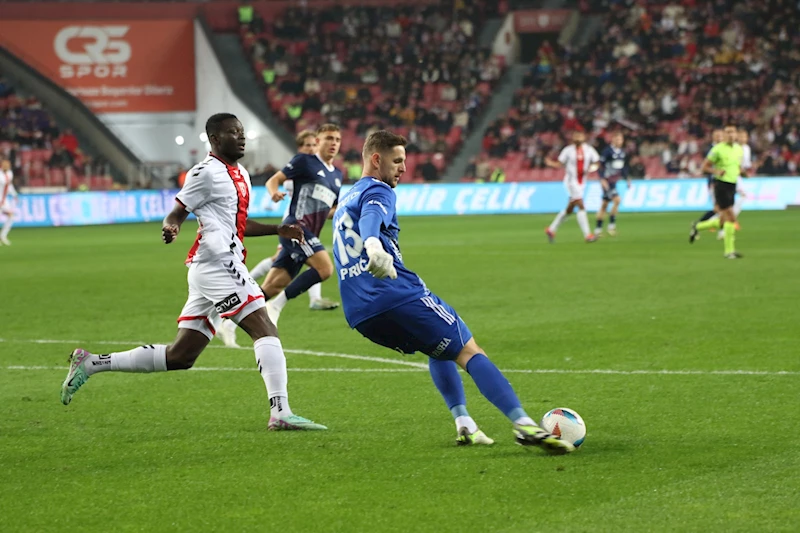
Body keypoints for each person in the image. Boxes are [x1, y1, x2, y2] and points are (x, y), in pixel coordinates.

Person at [60, 113, 327, 431]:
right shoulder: (204, 172)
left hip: (212, 267)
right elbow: (176, 212)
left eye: (241, 132)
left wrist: (277, 229)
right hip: (217, 265)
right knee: (265, 327)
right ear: (215, 139)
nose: (241, 137)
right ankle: (281, 412)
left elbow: (239, 225)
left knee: (180, 356)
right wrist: (171, 226)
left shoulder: (239, 172)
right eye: (232, 132)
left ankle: (91, 363)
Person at [332, 130, 574, 454]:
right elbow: (373, 218)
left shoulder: (346, 199)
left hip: (360, 313)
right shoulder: (379, 190)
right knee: (469, 351)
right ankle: (524, 424)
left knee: (437, 348)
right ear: (376, 159)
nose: (404, 168)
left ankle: (465, 425)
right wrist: (374, 245)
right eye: (398, 161)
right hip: (396, 295)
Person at [260, 124, 343, 326]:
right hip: (295, 228)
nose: (333, 143)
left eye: (337, 140)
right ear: (317, 141)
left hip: (309, 234)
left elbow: (329, 210)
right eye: (329, 138)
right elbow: (274, 179)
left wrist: (345, 211)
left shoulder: (337, 175)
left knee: (272, 286)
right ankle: (276, 306)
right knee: (325, 269)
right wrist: (273, 192)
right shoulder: (305, 161)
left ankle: (223, 320)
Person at [690, 125, 743, 259]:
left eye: (733, 132)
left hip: (732, 185)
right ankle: (729, 252)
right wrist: (716, 171)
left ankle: (698, 226)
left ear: (736, 135)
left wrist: (744, 173)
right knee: (731, 217)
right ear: (724, 135)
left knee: (723, 220)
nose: (731, 135)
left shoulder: (738, 149)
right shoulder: (717, 149)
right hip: (720, 185)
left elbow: (736, 166)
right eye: (728, 133)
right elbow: (704, 167)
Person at [544, 129, 600, 243]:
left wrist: (593, 168)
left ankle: (551, 229)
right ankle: (588, 235)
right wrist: (550, 163)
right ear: (573, 137)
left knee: (570, 209)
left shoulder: (589, 150)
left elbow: (597, 162)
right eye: (576, 135)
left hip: (582, 182)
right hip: (570, 181)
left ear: (584, 137)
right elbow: (560, 163)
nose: (578, 137)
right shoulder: (568, 150)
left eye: (580, 135)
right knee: (580, 205)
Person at [594, 132, 630, 237]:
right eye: (618, 139)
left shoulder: (622, 152)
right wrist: (602, 179)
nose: (620, 142)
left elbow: (623, 167)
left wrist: (627, 178)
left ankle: (598, 230)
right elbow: (600, 166)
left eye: (621, 140)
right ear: (613, 140)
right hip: (607, 181)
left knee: (604, 205)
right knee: (617, 200)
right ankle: (611, 227)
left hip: (614, 181)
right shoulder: (607, 151)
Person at [693, 129, 724, 229]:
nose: (719, 137)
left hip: (726, 181)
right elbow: (705, 167)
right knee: (719, 208)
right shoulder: (709, 149)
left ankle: (701, 225)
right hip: (714, 182)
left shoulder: (725, 148)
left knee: (722, 208)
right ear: (713, 137)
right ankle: (699, 225)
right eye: (717, 135)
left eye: (721, 135)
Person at [0, 158, 17, 245]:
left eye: (8, 165)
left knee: (11, 217)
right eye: (5, 164)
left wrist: (15, 195)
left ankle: (3, 236)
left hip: (4, 200)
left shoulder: (10, 173)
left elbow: (9, 185)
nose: (7, 166)